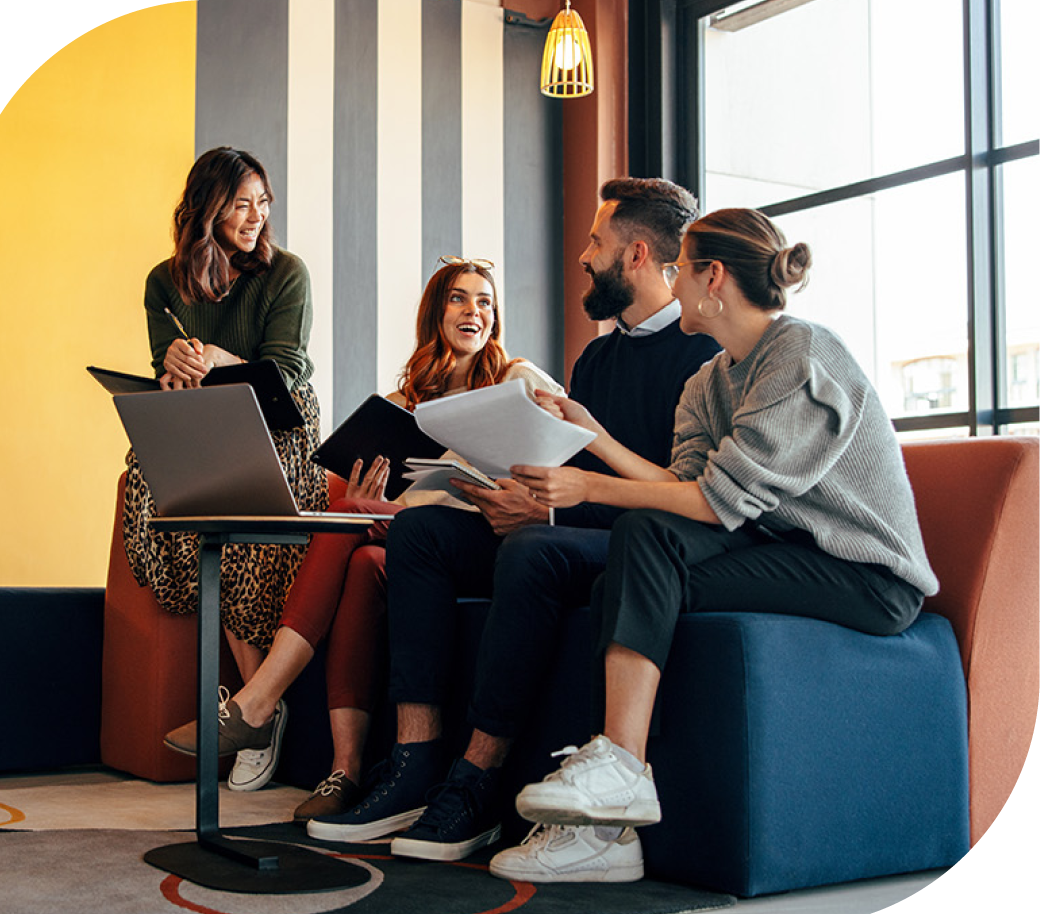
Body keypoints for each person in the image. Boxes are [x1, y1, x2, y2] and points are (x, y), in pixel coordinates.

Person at [500, 208, 938, 882]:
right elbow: (684, 488)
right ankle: (607, 834)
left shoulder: (801, 355)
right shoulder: (709, 382)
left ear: (714, 278)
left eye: (680, 272)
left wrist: (588, 486)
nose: (670, 286)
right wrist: (593, 435)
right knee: (622, 571)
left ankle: (618, 774)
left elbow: (712, 502)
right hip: (785, 550)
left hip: (865, 575)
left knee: (642, 538)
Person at [306, 178, 721, 874]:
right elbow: (560, 461)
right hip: (563, 522)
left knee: (532, 549)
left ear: (638, 254)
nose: (583, 257)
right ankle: (413, 765)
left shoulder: (701, 358)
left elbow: (680, 498)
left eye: (596, 242)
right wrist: (511, 492)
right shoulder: (595, 358)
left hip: (636, 546)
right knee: (419, 537)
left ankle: (476, 784)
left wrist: (550, 511)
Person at [163, 257, 565, 802]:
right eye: (459, 298)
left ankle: (257, 703)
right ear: (435, 314)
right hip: (409, 542)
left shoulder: (516, 378)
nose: (474, 310)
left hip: (488, 535)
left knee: (358, 528)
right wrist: (367, 502)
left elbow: (564, 453)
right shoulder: (403, 405)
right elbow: (387, 498)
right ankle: (345, 770)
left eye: (485, 301)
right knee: (358, 554)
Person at [123, 146, 329, 788]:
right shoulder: (164, 280)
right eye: (241, 203)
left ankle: (252, 711)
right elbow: (166, 362)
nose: (255, 215)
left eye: (262, 203)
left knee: (239, 531)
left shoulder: (285, 272)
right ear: (206, 207)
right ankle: (256, 711)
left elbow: (287, 372)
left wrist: (217, 356)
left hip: (278, 423)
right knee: (150, 482)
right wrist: (175, 369)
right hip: (205, 419)